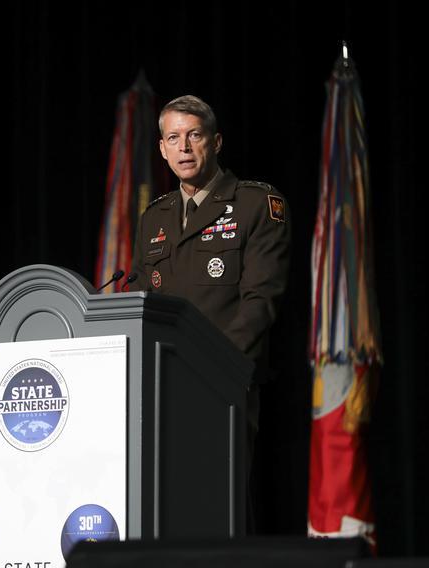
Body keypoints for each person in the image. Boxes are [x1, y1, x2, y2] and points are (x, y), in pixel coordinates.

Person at [129, 95, 291, 527]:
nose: (184, 148)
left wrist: (211, 367)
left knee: (218, 511)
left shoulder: (257, 204)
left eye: (194, 136)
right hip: (160, 389)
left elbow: (261, 302)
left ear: (215, 142)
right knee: (165, 513)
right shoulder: (154, 218)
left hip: (224, 386)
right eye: (173, 138)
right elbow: (142, 301)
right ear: (161, 148)